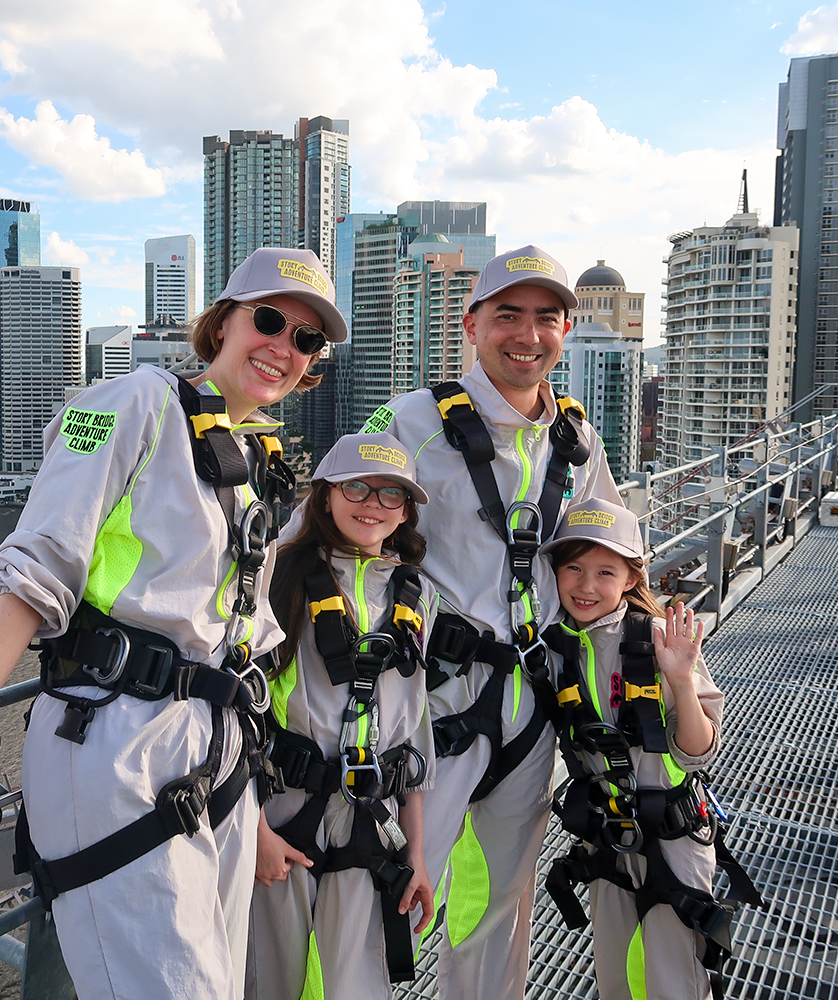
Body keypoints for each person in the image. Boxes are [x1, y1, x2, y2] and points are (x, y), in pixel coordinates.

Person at [0, 247, 348, 1000]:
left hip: (214, 764)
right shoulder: (129, 405)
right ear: (223, 324)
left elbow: (238, 653)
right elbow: (29, 586)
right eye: (271, 320)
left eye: (308, 339)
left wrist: (248, 815)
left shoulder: (256, 459)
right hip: (113, 744)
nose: (285, 347)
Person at [360, 245, 621, 998]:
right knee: (383, 891)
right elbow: (331, 522)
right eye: (508, 315)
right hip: (432, 697)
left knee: (497, 901)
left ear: (567, 330)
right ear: (472, 324)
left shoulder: (575, 438)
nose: (527, 335)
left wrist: (652, 649)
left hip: (532, 704)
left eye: (546, 319)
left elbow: (606, 548)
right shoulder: (412, 420)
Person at [538, 498, 757, 1000]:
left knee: (672, 975)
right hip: (608, 835)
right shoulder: (554, 646)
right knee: (616, 972)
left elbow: (697, 753)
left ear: (632, 579)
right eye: (573, 568)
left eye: (604, 572)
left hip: (673, 835)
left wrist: (681, 680)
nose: (587, 586)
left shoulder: (656, 641)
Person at [246, 432, 437, 999]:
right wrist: (253, 832)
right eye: (356, 487)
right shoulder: (279, 579)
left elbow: (413, 734)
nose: (373, 504)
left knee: (356, 984)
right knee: (269, 980)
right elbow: (239, 711)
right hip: (283, 815)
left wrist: (418, 852)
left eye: (391, 495)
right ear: (325, 495)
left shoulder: (415, 593)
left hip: (371, 826)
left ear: (405, 512)